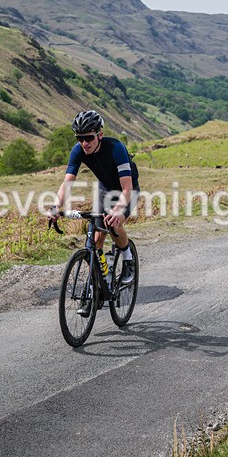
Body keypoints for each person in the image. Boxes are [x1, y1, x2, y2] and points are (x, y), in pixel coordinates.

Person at [50, 110, 139, 313]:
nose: (84, 143)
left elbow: (127, 189)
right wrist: (56, 206)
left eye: (88, 138)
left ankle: (127, 257)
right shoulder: (78, 150)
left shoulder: (116, 148)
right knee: (96, 238)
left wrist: (117, 211)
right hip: (104, 189)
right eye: (80, 138)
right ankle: (96, 287)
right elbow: (67, 184)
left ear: (99, 134)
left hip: (127, 188)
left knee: (113, 223)